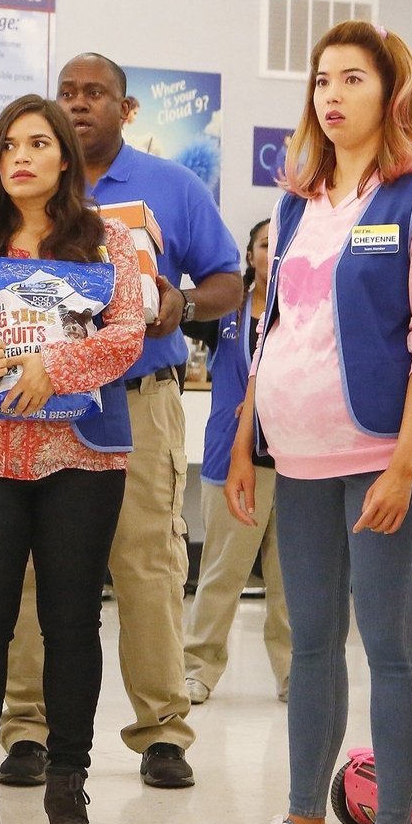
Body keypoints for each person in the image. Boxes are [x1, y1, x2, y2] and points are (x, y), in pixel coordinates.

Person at [226, 20, 412, 824]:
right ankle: (302, 820)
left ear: (389, 92)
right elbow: (274, 327)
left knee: (389, 640)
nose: (331, 94)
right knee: (312, 643)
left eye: (352, 79)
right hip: (300, 456)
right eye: (322, 80)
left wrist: (404, 462)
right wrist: (247, 439)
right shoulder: (297, 201)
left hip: (385, 455)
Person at [0, 52, 243, 791]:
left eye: (95, 94)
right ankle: (26, 729)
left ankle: (163, 731)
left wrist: (185, 305)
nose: (78, 105)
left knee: (149, 565)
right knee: (32, 569)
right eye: (67, 93)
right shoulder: (27, 185)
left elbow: (231, 280)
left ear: (125, 110)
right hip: (42, 405)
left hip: (138, 401)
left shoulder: (173, 187)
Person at [0, 95, 145, 824]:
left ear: (64, 159)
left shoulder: (109, 240)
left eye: (39, 143)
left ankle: (67, 784)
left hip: (80, 456)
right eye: (10, 144)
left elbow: (126, 336)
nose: (22, 156)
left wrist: (53, 367)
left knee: (73, 622)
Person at [182, 220, 291, 706]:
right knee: (221, 573)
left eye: (283, 242)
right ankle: (198, 669)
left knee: (292, 579)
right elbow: (175, 312)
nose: (275, 251)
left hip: (294, 461)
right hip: (232, 457)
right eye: (266, 244)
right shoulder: (227, 310)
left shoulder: (309, 310)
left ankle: (294, 674)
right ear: (250, 255)